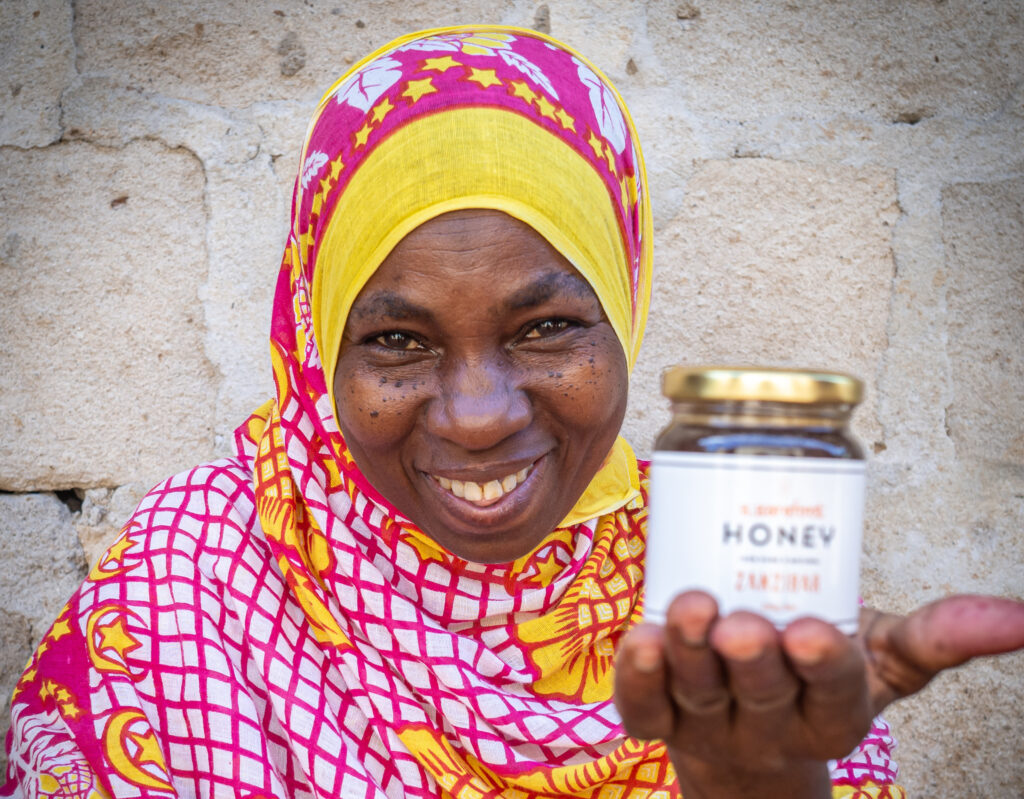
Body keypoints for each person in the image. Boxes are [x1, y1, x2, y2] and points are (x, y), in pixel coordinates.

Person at [3, 25, 1023, 799]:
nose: (480, 415)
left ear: (623, 311)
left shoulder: (724, 582)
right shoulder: (194, 578)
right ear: (320, 352)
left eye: (545, 330)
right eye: (397, 341)